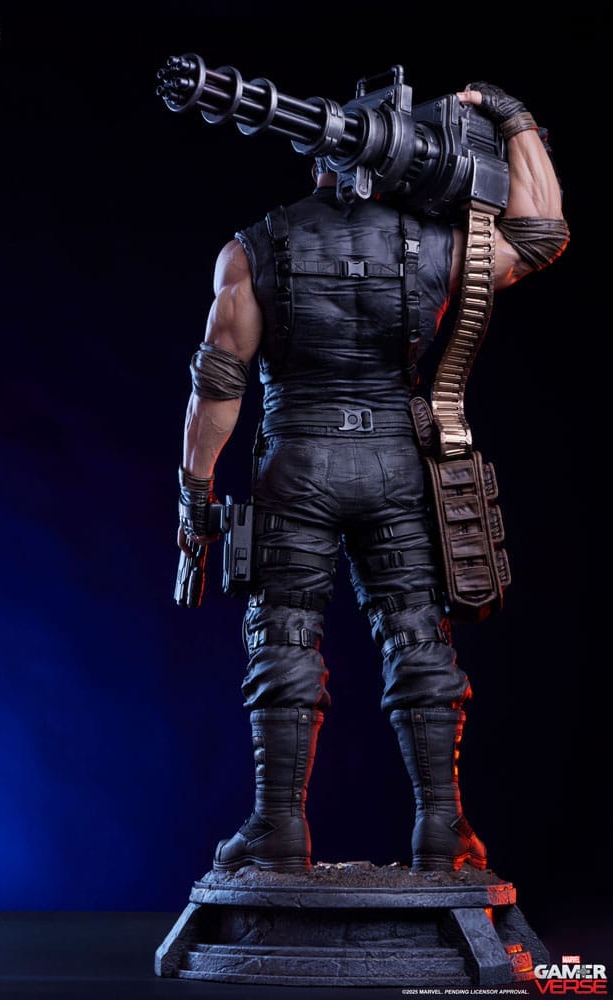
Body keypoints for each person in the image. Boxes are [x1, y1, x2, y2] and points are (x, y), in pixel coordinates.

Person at [177, 82, 569, 875]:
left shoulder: (252, 249)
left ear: (314, 160)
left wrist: (194, 492)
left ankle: (277, 830)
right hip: (396, 463)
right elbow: (540, 233)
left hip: (297, 463)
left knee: (281, 636)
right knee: (417, 637)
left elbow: (218, 387)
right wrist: (509, 114)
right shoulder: (439, 246)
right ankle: (442, 832)